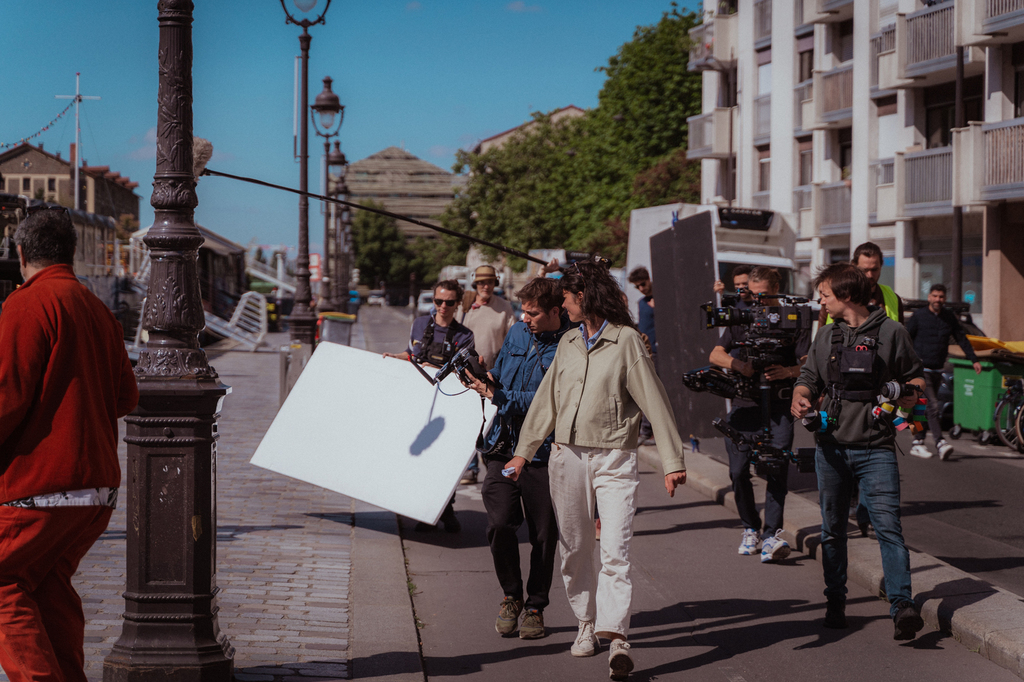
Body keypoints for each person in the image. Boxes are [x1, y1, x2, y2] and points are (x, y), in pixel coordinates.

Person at [506, 260, 687, 681]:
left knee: (616, 549)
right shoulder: (569, 341)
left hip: (614, 458)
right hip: (566, 457)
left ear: (583, 297)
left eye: (567, 298)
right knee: (574, 548)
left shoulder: (626, 341)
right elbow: (547, 401)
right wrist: (522, 452)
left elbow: (654, 400)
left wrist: (673, 461)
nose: (564, 305)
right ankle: (586, 624)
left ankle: (618, 637)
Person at [0, 207, 139, 682]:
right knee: (48, 586)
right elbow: (126, 397)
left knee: (3, 583)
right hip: (95, 490)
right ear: (70, 253)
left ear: (20, 253)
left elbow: (6, 397)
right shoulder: (98, 310)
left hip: (38, 487)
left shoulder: (25, 304)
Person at [792, 262, 926, 640]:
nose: (820, 302)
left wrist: (908, 394)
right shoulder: (826, 335)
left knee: (889, 529)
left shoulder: (893, 332)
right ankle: (835, 601)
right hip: (831, 449)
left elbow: (916, 378)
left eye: (825, 295)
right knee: (833, 530)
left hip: (876, 449)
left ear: (846, 295)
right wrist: (801, 397)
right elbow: (808, 378)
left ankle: (902, 606)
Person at [464, 277, 571, 641]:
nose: (526, 319)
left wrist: (497, 395)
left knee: (543, 535)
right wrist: (485, 376)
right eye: (524, 311)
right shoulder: (518, 333)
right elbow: (502, 377)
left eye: (533, 313)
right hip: (503, 445)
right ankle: (512, 595)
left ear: (555, 311)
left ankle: (536, 606)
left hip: (543, 452)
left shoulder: (571, 345)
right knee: (499, 524)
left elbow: (549, 402)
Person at [709, 266, 809, 563]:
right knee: (738, 470)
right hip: (745, 404)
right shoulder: (743, 316)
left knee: (776, 468)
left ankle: (771, 535)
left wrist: (788, 371)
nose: (757, 301)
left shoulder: (793, 318)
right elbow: (715, 354)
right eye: (753, 295)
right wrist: (740, 366)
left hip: (779, 406)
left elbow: (808, 363)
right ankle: (750, 527)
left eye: (763, 295)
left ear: (777, 288)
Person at [383, 279, 474, 532]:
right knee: (419, 460)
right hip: (417, 402)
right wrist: (394, 357)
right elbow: (411, 354)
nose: (443, 306)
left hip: (448, 406)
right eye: (438, 301)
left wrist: (435, 369)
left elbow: (464, 374)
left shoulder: (465, 336)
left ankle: (445, 509)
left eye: (449, 302)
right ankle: (427, 511)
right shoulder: (420, 324)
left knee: (444, 462)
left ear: (457, 304)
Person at [906, 284, 982, 460]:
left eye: (941, 297)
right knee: (932, 405)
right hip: (920, 370)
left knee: (921, 407)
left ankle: (917, 442)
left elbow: (961, 338)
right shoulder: (919, 316)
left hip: (938, 369)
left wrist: (974, 359)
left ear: (944, 299)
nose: (937, 300)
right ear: (929, 297)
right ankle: (940, 442)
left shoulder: (948, 317)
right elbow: (906, 338)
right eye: (934, 296)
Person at [459, 265, 516, 484]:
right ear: (476, 284)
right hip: (467, 374)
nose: (486, 286)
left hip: (494, 374)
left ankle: (490, 462)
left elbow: (512, 338)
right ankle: (470, 467)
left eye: (490, 282)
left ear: (495, 284)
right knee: (469, 421)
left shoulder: (504, 307)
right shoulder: (465, 305)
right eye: (482, 282)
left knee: (491, 421)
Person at [627, 266, 657, 445]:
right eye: (637, 286)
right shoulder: (642, 303)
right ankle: (645, 430)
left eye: (643, 284)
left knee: (655, 391)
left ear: (649, 279)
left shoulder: (660, 300)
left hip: (660, 352)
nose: (641, 288)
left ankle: (650, 431)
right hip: (646, 351)